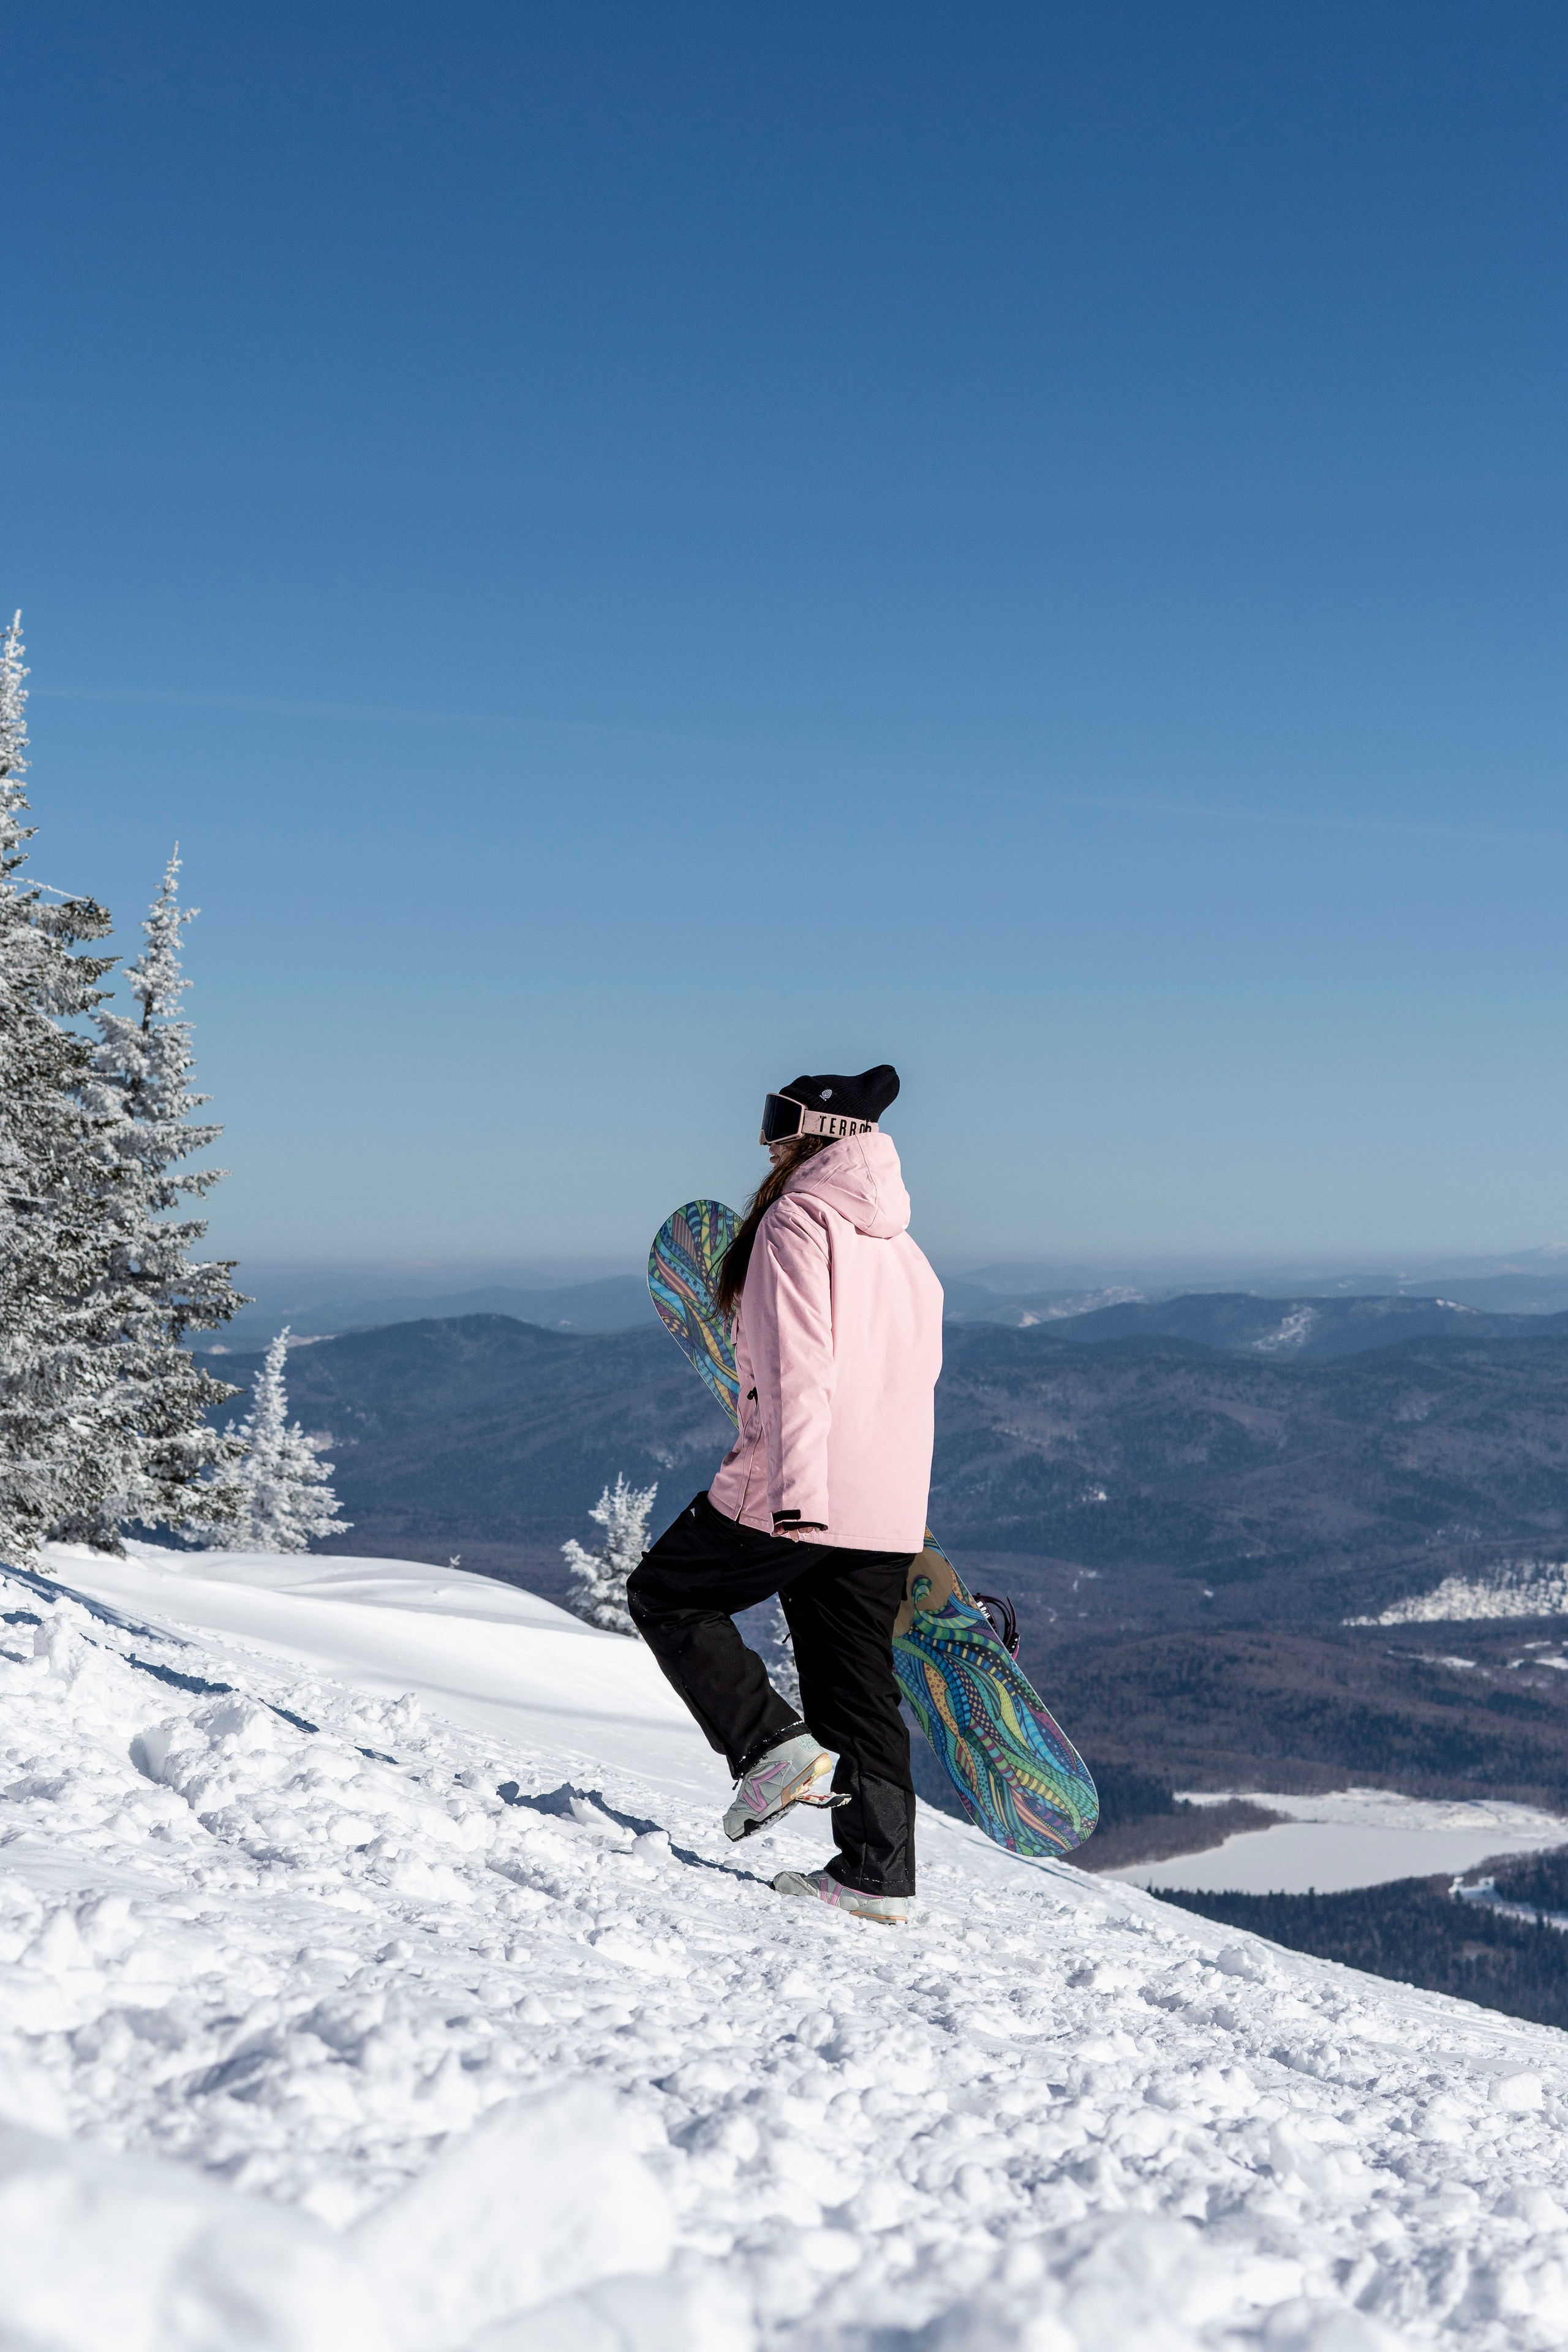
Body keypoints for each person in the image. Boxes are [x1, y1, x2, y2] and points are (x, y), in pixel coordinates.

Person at [627, 1065, 943, 1924]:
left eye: (778, 1120)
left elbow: (799, 1371)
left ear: (817, 1133)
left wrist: (797, 1497)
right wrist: (897, 1506)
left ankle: (768, 1748)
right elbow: (914, 1385)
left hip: (802, 1487)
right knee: (855, 1687)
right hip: (881, 1505)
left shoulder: (797, 1224)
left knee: (666, 1595)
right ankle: (878, 1873)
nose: (764, 1139)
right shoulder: (904, 1251)